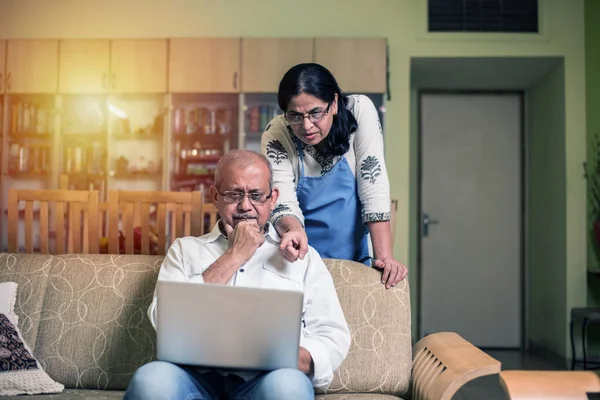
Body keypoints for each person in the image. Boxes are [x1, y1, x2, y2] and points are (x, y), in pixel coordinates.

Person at [123, 149, 351, 400]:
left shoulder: (302, 257)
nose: (245, 206)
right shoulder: (184, 250)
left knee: (288, 388)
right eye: (233, 194)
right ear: (215, 196)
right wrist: (235, 255)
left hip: (268, 378)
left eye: (255, 195)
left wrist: (293, 357)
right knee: (150, 382)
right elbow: (162, 319)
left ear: (272, 198)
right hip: (192, 377)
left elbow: (332, 334)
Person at [261, 62, 408, 289]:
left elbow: (373, 181)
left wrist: (385, 258)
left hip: (356, 257)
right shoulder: (277, 133)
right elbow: (282, 199)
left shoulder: (360, 110)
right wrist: (293, 230)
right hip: (299, 259)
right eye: (295, 116)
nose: (307, 125)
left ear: (335, 103)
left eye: (315, 113)